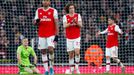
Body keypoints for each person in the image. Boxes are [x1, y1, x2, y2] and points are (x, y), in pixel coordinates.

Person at [34, 0, 59, 75]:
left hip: (51, 34)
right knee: (43, 51)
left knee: (51, 49)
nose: (45, 2)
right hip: (41, 34)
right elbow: (35, 23)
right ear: (42, 2)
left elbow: (56, 23)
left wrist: (57, 35)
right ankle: (46, 70)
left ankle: (51, 68)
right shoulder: (38, 10)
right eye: (44, 0)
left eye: (47, 1)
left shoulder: (53, 10)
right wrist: (36, 21)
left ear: (49, 2)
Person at [63, 3, 82, 74]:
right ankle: (71, 69)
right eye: (70, 8)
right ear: (68, 9)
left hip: (77, 37)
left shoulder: (78, 15)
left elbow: (81, 25)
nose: (72, 9)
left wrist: (76, 22)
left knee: (77, 52)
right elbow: (64, 26)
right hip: (69, 37)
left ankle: (76, 67)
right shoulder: (65, 16)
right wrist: (71, 22)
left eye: (73, 8)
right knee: (71, 54)